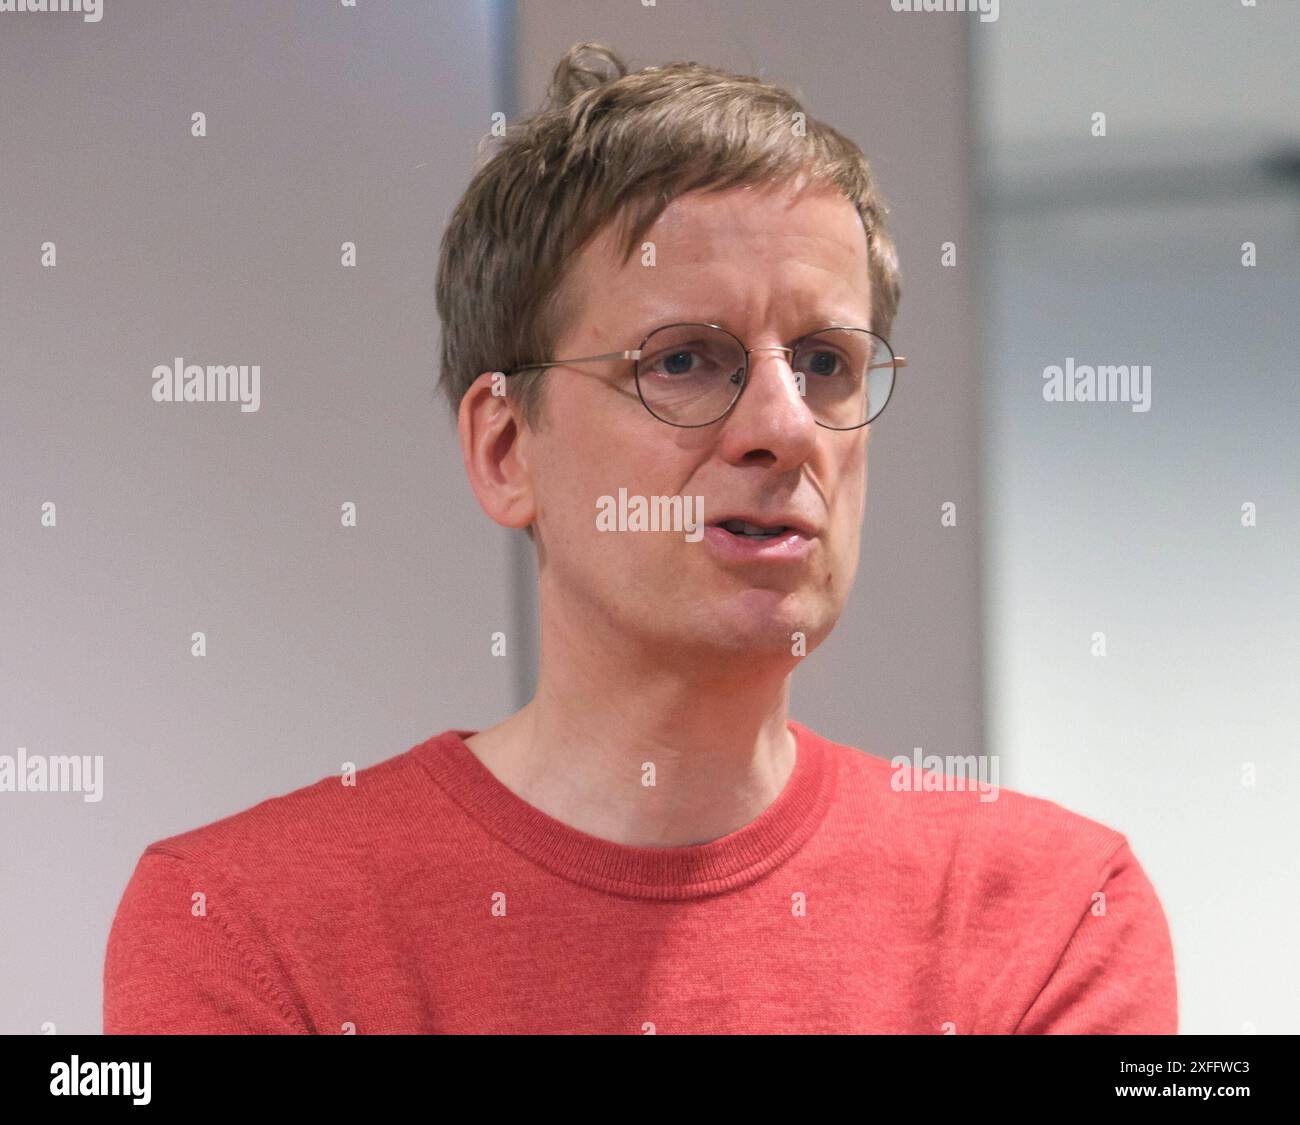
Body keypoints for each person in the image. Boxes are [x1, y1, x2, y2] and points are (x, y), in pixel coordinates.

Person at [103, 42, 1176, 1034]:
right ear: (506, 450)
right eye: (682, 361)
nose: (784, 427)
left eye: (825, 363)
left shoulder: (1049, 911)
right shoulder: (242, 921)